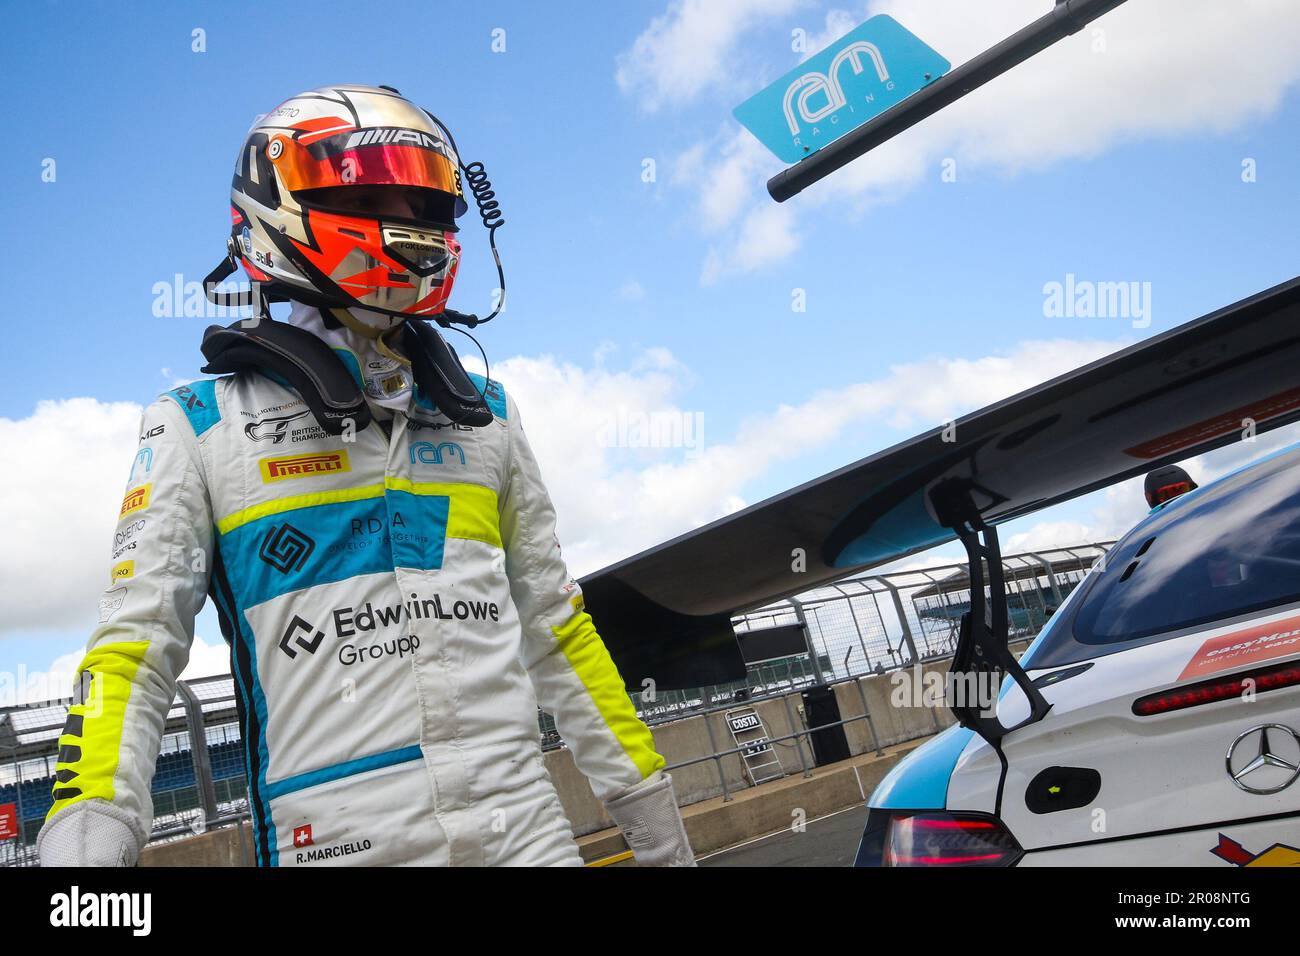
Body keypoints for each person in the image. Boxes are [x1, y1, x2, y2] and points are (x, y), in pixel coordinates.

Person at [37, 84, 695, 867]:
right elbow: (134, 654)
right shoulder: (196, 425)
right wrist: (83, 853)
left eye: (423, 201)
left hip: (529, 836)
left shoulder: (487, 414)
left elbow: (557, 629)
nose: (408, 220)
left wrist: (660, 835)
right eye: (374, 193)